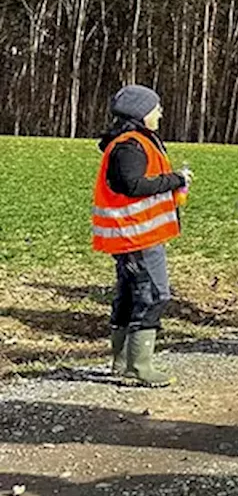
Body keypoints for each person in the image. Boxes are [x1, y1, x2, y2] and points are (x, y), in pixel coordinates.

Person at [92, 85, 192, 388]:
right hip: (137, 235)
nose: (159, 113)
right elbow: (132, 185)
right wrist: (175, 180)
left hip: (131, 235)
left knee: (130, 295)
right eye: (155, 108)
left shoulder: (130, 142)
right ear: (140, 112)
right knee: (154, 295)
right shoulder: (130, 146)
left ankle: (122, 362)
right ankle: (139, 366)